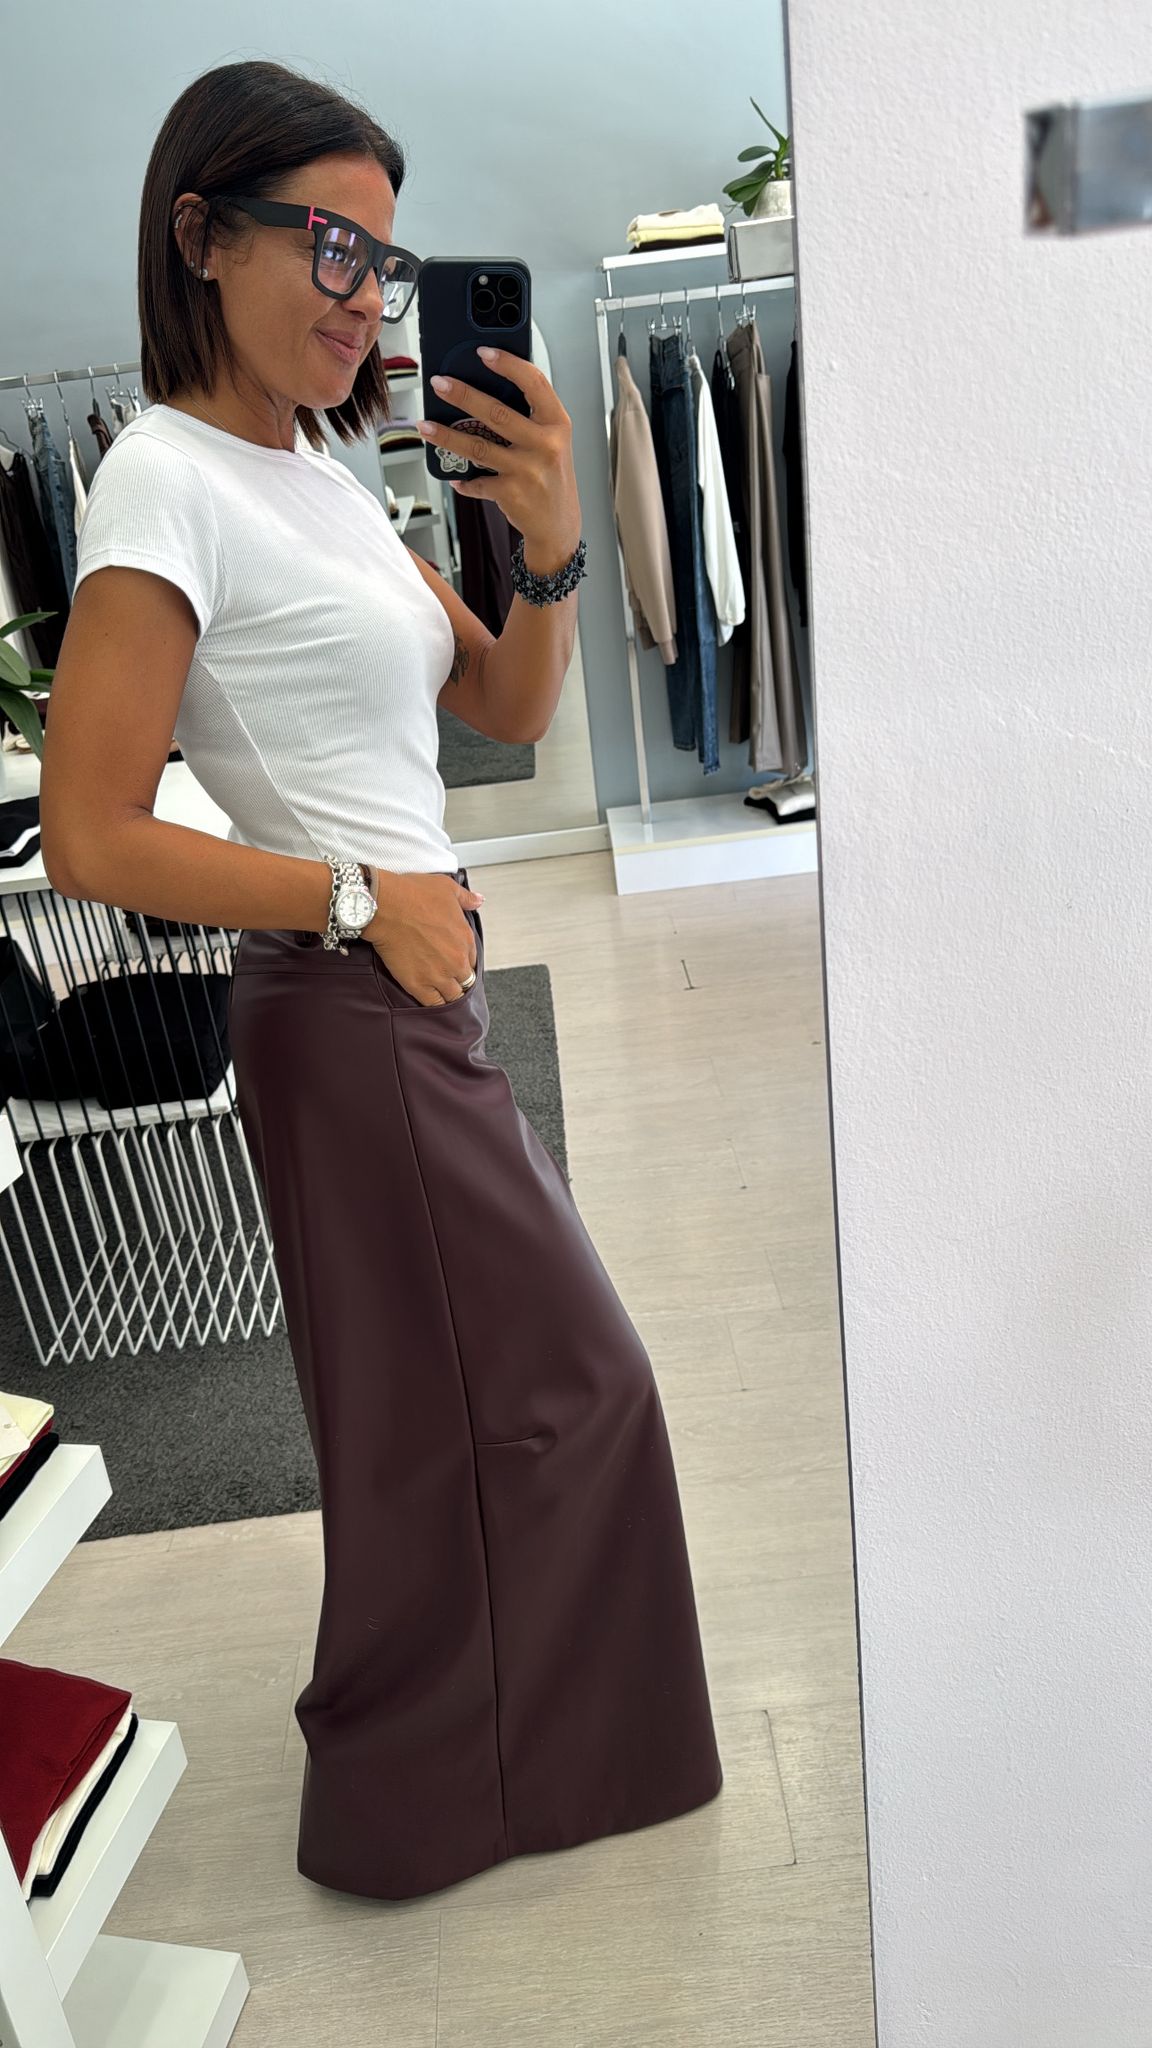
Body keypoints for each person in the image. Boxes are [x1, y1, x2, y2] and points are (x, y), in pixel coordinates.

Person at [40, 57, 723, 1902]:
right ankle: (472, 1781)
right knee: (578, 1385)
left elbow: (503, 704)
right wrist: (357, 899)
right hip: (349, 1009)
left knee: (432, 1421)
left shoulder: (324, 476)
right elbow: (91, 832)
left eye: (386, 262)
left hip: (402, 998)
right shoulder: (163, 481)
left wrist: (553, 533)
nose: (365, 297)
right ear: (203, 234)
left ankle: (432, 1790)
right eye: (330, 246)